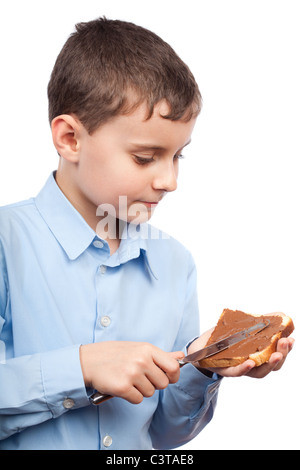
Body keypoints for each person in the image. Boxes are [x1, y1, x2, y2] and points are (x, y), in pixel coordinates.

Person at [0, 17, 294, 450]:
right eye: (144, 157)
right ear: (69, 138)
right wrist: (80, 367)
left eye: (178, 156)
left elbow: (164, 435)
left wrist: (205, 366)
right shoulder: (8, 244)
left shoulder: (176, 264)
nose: (169, 180)